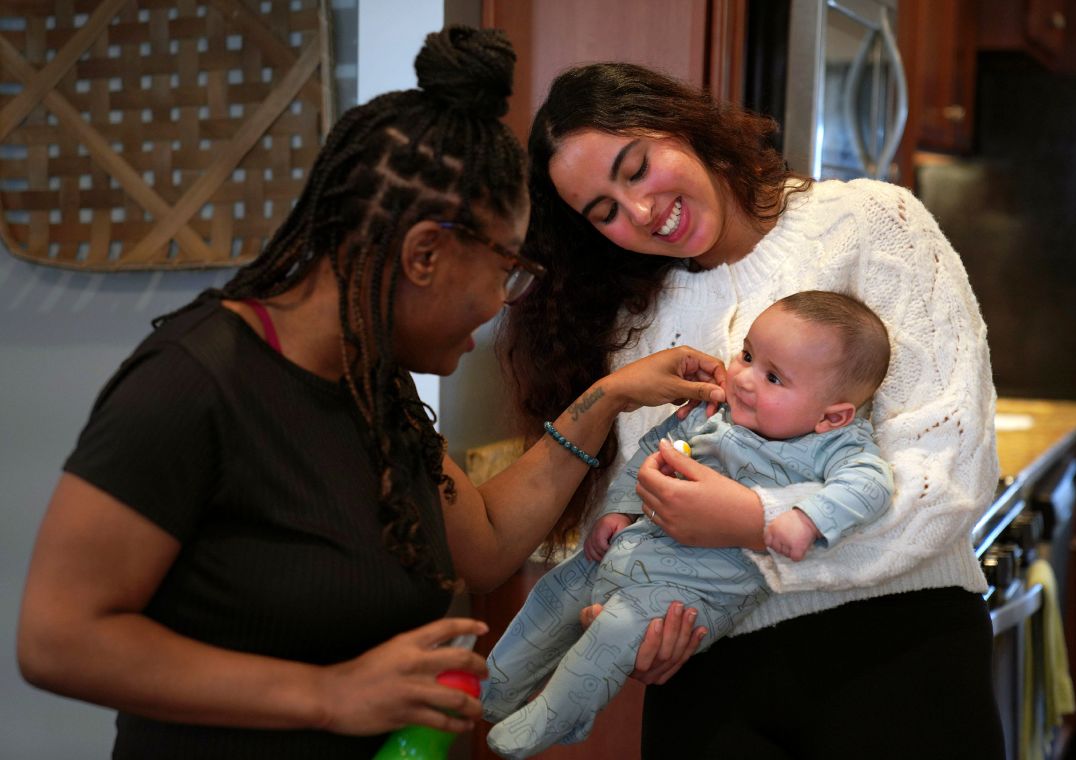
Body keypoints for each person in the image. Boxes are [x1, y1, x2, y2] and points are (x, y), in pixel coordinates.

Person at [15, 30, 724, 760]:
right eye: (505, 269)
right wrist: (328, 695)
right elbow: (58, 638)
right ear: (425, 254)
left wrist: (605, 398)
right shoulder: (195, 382)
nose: (497, 308)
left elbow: (481, 547)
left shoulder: (368, 379)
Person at [498, 61, 1006, 757]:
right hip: (713, 685)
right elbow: (645, 506)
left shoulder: (870, 224)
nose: (642, 211)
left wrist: (758, 525)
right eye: (605, 211)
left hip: (897, 649)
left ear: (678, 123)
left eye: (638, 167)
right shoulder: (632, 322)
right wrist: (650, 629)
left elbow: (950, 474)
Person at [483, 291, 894, 758]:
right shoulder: (713, 412)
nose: (744, 379)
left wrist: (803, 518)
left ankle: (549, 720)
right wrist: (619, 510)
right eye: (747, 355)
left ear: (832, 416)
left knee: (612, 635)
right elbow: (655, 447)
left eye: (774, 377)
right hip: (630, 548)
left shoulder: (837, 447)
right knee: (555, 590)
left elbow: (871, 487)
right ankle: (498, 686)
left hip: (689, 595)